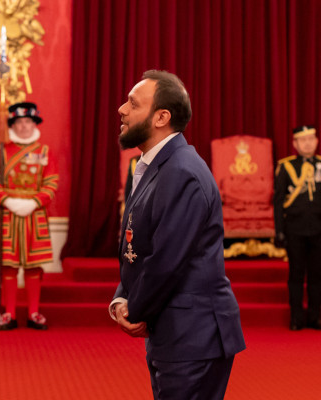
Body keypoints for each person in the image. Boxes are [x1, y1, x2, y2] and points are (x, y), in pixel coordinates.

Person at [110, 70, 245, 399]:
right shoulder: (156, 166)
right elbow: (138, 247)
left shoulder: (181, 171)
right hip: (176, 334)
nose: (121, 110)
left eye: (133, 103)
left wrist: (135, 309)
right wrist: (121, 300)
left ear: (161, 117)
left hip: (193, 337)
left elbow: (167, 259)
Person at [0, 102, 59, 331]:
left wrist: (34, 203)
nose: (24, 126)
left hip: (35, 217)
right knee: (8, 266)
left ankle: (34, 312)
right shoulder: (0, 151)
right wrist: (8, 201)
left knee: (34, 267)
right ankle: (9, 313)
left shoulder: (44, 152)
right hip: (7, 215)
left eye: (28, 122)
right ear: (13, 125)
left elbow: (51, 183)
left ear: (34, 124)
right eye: (19, 122)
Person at [273, 125, 321, 331]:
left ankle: (315, 316)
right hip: (294, 229)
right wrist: (279, 230)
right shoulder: (286, 167)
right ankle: (296, 317)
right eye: (303, 140)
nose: (308, 143)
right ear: (295, 144)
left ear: (317, 141)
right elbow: (278, 201)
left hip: (319, 229)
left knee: (318, 275)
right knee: (296, 274)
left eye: (311, 138)